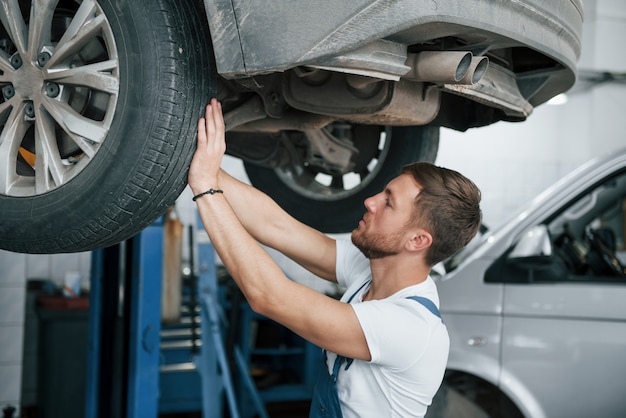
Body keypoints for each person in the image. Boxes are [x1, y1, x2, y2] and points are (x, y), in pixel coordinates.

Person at [188, 98, 482, 418]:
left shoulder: (409, 328)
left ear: (417, 240)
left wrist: (205, 189)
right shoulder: (372, 272)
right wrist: (202, 162)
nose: (369, 201)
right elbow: (277, 227)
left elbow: (269, 296)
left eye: (389, 203)